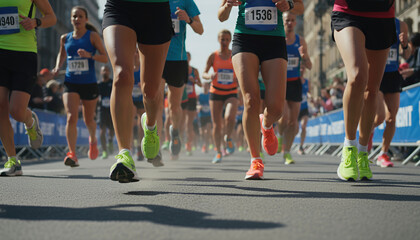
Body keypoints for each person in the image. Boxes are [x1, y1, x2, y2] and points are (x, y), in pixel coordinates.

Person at [218, 0, 304, 179]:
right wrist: (227, 6)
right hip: (245, 38)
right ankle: (255, 160)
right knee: (250, 99)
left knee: (277, 108)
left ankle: (266, 124)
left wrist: (288, 4)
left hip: (274, 41)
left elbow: (300, 7)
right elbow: (221, 16)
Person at [102, 0, 174, 183]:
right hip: (120, 7)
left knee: (150, 91)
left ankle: (150, 127)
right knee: (122, 74)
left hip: (156, 10)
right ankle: (124, 154)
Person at [332, 0, 397, 181]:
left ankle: (362, 153)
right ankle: (349, 149)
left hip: (382, 15)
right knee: (358, 76)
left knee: (372, 90)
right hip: (348, 12)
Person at [0, 0, 56, 176]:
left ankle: (30, 120)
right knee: (1, 108)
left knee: (16, 111)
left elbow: (51, 17)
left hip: (24, 53)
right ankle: (13, 160)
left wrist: (36, 22)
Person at [52, 6, 108, 167]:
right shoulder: (65, 38)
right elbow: (61, 54)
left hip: (89, 83)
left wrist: (90, 55)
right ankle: (72, 153)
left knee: (89, 119)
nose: (77, 19)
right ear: (71, 19)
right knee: (71, 116)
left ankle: (92, 140)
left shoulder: (93, 36)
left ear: (86, 19)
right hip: (71, 82)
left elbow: (105, 58)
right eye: (74, 16)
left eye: (80, 16)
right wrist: (57, 67)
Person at [163, 0, 203, 160]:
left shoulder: (186, 2)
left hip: (177, 60)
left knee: (174, 107)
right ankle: (155, 144)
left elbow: (200, 30)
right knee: (153, 99)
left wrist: (188, 19)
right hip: (156, 58)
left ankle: (175, 131)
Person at [372, 18, 411, 167]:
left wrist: (405, 44)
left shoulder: (401, 25)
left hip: (392, 74)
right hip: (376, 73)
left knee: (391, 118)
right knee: (380, 116)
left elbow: (406, 55)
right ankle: (365, 142)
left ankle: (383, 153)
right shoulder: (372, 20)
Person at [277, 11, 312, 164]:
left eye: (292, 20)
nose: (289, 23)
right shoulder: (278, 39)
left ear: (295, 23)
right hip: (281, 82)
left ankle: (287, 151)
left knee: (293, 122)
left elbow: (309, 66)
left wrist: (304, 56)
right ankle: (279, 136)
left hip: (295, 83)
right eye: (286, 20)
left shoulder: (301, 40)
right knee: (283, 118)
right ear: (282, 22)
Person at [203, 29, 238, 163]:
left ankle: (227, 137)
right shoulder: (213, 56)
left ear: (230, 41)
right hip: (216, 92)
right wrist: (209, 76)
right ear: (218, 40)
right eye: (222, 39)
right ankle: (218, 152)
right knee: (217, 125)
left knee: (229, 117)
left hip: (231, 91)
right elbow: (204, 73)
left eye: (227, 39)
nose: (224, 42)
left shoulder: (234, 55)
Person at [184, 52, 202, 156]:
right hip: (182, 97)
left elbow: (200, 84)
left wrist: (194, 80)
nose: (186, 59)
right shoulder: (180, 69)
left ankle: (188, 144)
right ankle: (180, 141)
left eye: (188, 57)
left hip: (191, 98)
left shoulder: (194, 70)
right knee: (182, 122)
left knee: (189, 123)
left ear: (190, 58)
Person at [98, 66, 115, 159]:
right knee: (102, 131)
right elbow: (95, 98)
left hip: (112, 109)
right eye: (104, 70)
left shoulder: (112, 83)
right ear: (101, 72)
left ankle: (110, 140)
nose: (105, 72)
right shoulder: (99, 84)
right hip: (102, 110)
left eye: (107, 70)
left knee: (111, 130)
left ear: (109, 72)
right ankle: (104, 151)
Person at [297, 68, 311, 155]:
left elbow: (308, 92)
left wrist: (311, 97)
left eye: (303, 68)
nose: (301, 69)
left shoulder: (307, 81)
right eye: (300, 68)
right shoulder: (294, 81)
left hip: (304, 108)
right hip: (295, 107)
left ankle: (301, 146)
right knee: (293, 128)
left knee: (303, 126)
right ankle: (284, 144)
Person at [197, 83, 212, 153]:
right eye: (204, 86)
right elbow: (196, 105)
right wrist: (198, 107)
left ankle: (206, 145)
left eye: (207, 86)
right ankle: (203, 143)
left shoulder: (210, 95)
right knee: (202, 133)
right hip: (201, 115)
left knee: (208, 131)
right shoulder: (199, 96)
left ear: (208, 87)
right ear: (202, 87)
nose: (205, 87)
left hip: (209, 115)